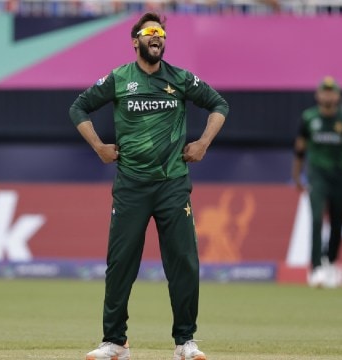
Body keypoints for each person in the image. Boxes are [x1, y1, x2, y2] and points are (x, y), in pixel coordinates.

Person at [68, 11, 228, 360]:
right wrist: (99, 147)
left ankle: (185, 342)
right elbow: (79, 108)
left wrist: (203, 143)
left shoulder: (181, 79)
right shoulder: (119, 78)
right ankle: (115, 342)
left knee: (184, 263)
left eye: (162, 33)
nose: (158, 37)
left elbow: (219, 105)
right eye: (150, 32)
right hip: (131, 185)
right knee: (121, 263)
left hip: (172, 184)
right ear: (135, 41)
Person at [291, 76, 342, 289]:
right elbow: (299, 149)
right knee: (317, 218)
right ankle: (316, 268)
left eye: (331, 91)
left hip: (340, 176)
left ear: (337, 96)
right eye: (324, 91)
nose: (327, 95)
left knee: (338, 223)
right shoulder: (309, 118)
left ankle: (330, 262)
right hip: (317, 175)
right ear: (318, 95)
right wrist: (297, 176)